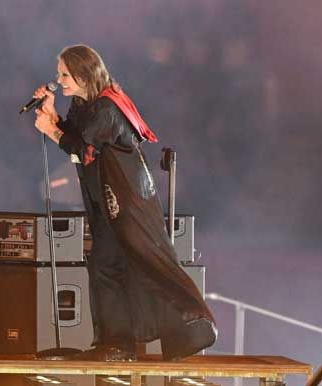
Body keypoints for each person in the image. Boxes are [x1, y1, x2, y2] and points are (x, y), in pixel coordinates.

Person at [31, 44, 216, 361]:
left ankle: (194, 324)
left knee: (145, 260)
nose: (59, 80)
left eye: (65, 74)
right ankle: (116, 343)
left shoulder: (107, 107)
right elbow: (77, 136)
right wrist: (53, 116)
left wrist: (52, 131)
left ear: (83, 72)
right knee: (104, 265)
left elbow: (84, 150)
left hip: (127, 201)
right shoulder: (85, 104)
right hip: (108, 200)